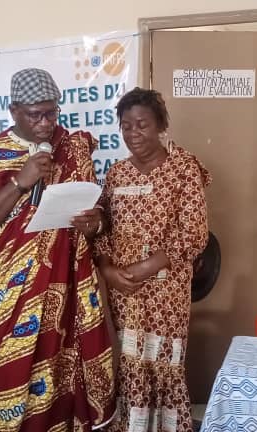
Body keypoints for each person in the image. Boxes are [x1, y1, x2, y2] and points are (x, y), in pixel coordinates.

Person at [0, 68, 116, 431]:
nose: (46, 123)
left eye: (51, 113)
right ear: (14, 111)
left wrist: (95, 223)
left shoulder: (74, 148)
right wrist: (20, 181)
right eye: (35, 115)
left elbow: (98, 212)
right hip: (9, 292)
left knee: (65, 373)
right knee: (12, 375)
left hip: (69, 285)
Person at [94, 88, 210, 432]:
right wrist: (108, 270)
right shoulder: (116, 174)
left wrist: (144, 268)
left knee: (164, 362)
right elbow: (103, 228)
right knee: (132, 362)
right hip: (125, 291)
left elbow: (194, 232)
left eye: (142, 125)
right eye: (126, 126)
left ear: (161, 125)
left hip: (167, 289)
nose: (133, 133)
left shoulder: (184, 168)